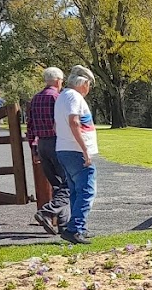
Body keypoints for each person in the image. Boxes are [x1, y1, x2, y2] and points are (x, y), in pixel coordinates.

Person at [54, 65, 98, 245]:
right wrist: (85, 149)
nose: (88, 89)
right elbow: (74, 122)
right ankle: (75, 228)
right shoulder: (74, 97)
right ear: (84, 83)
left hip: (64, 148)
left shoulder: (62, 96)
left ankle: (79, 227)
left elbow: (57, 126)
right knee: (87, 190)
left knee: (75, 191)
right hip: (76, 151)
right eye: (89, 85)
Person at [26, 67, 69, 237]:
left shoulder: (35, 99)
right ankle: (47, 211)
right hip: (57, 143)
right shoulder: (57, 98)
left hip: (42, 145)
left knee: (58, 185)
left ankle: (64, 226)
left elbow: (30, 127)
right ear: (58, 80)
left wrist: (34, 149)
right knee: (68, 184)